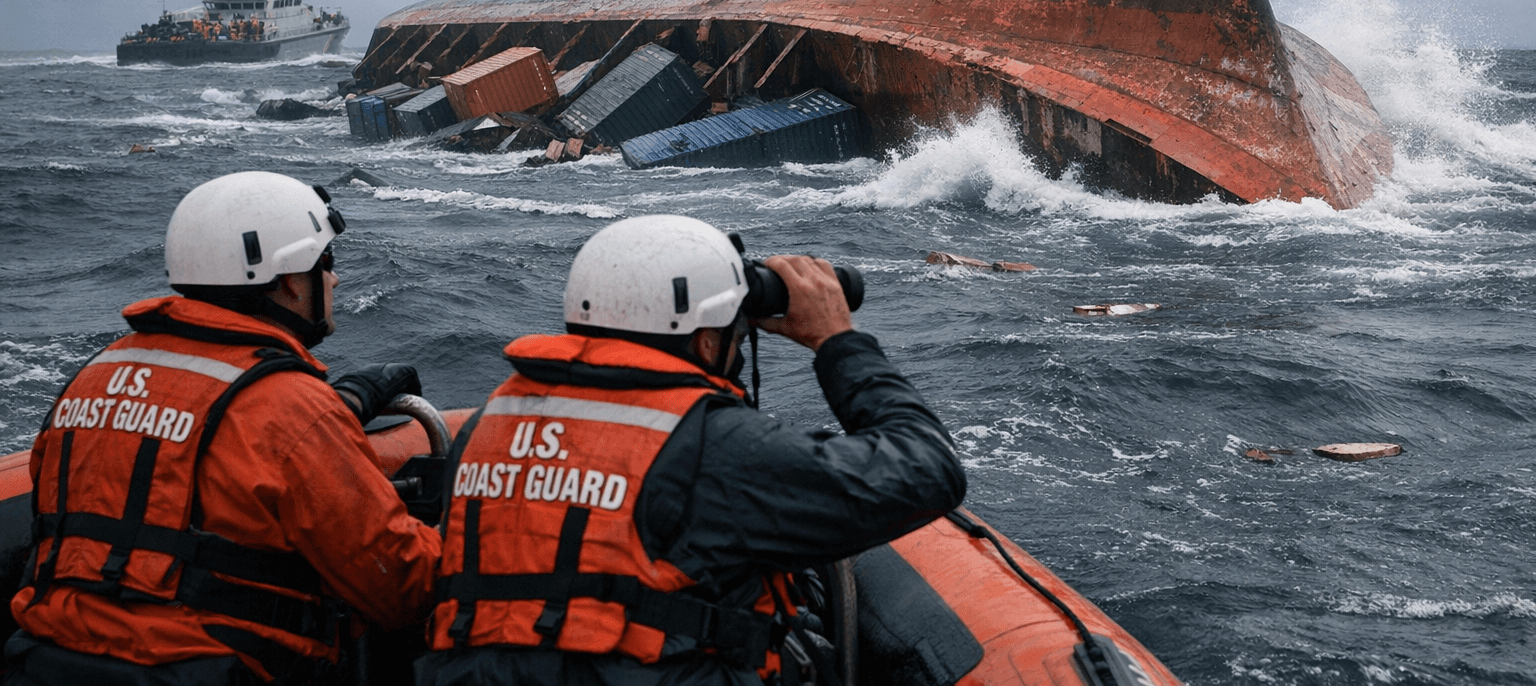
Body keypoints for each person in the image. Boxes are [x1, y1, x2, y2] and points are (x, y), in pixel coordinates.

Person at [416, 215, 966, 686]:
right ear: (706, 341)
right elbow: (929, 469)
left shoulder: (489, 425)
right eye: (733, 334)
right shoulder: (710, 445)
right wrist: (836, 340)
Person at [7, 171, 442, 685]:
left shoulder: (94, 377)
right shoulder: (291, 407)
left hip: (47, 661)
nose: (335, 279)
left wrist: (336, 408)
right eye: (325, 262)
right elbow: (400, 587)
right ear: (288, 280)